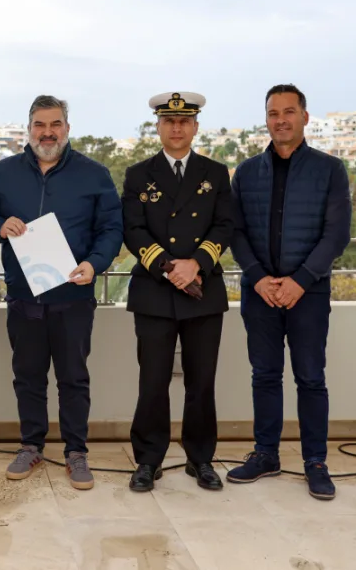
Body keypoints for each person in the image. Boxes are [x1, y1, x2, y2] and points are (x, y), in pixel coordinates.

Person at [0, 94, 123, 491]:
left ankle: (76, 452)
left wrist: (94, 264)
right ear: (29, 130)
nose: (48, 132)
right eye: (40, 125)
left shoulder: (94, 174)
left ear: (67, 128)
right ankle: (31, 446)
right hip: (23, 297)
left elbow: (112, 228)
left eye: (55, 124)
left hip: (73, 297)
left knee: (73, 378)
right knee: (27, 377)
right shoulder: (5, 172)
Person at [226, 84, 351, 499]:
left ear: (305, 117)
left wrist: (301, 280)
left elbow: (336, 235)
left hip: (308, 293)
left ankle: (315, 462)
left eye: (288, 112)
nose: (280, 120)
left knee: (311, 378)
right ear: (266, 119)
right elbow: (236, 232)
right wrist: (259, 277)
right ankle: (266, 454)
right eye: (273, 113)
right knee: (264, 375)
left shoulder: (330, 170)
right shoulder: (247, 172)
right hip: (258, 291)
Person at [122, 91, 233, 493]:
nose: (176, 128)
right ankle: (148, 459)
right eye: (169, 121)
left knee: (201, 382)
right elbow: (133, 230)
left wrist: (196, 264)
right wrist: (170, 267)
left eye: (184, 121)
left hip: (203, 289)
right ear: (158, 126)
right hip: (155, 290)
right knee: (153, 381)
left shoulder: (215, 172)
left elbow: (225, 225)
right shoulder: (139, 174)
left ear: (195, 127)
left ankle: (200, 458)